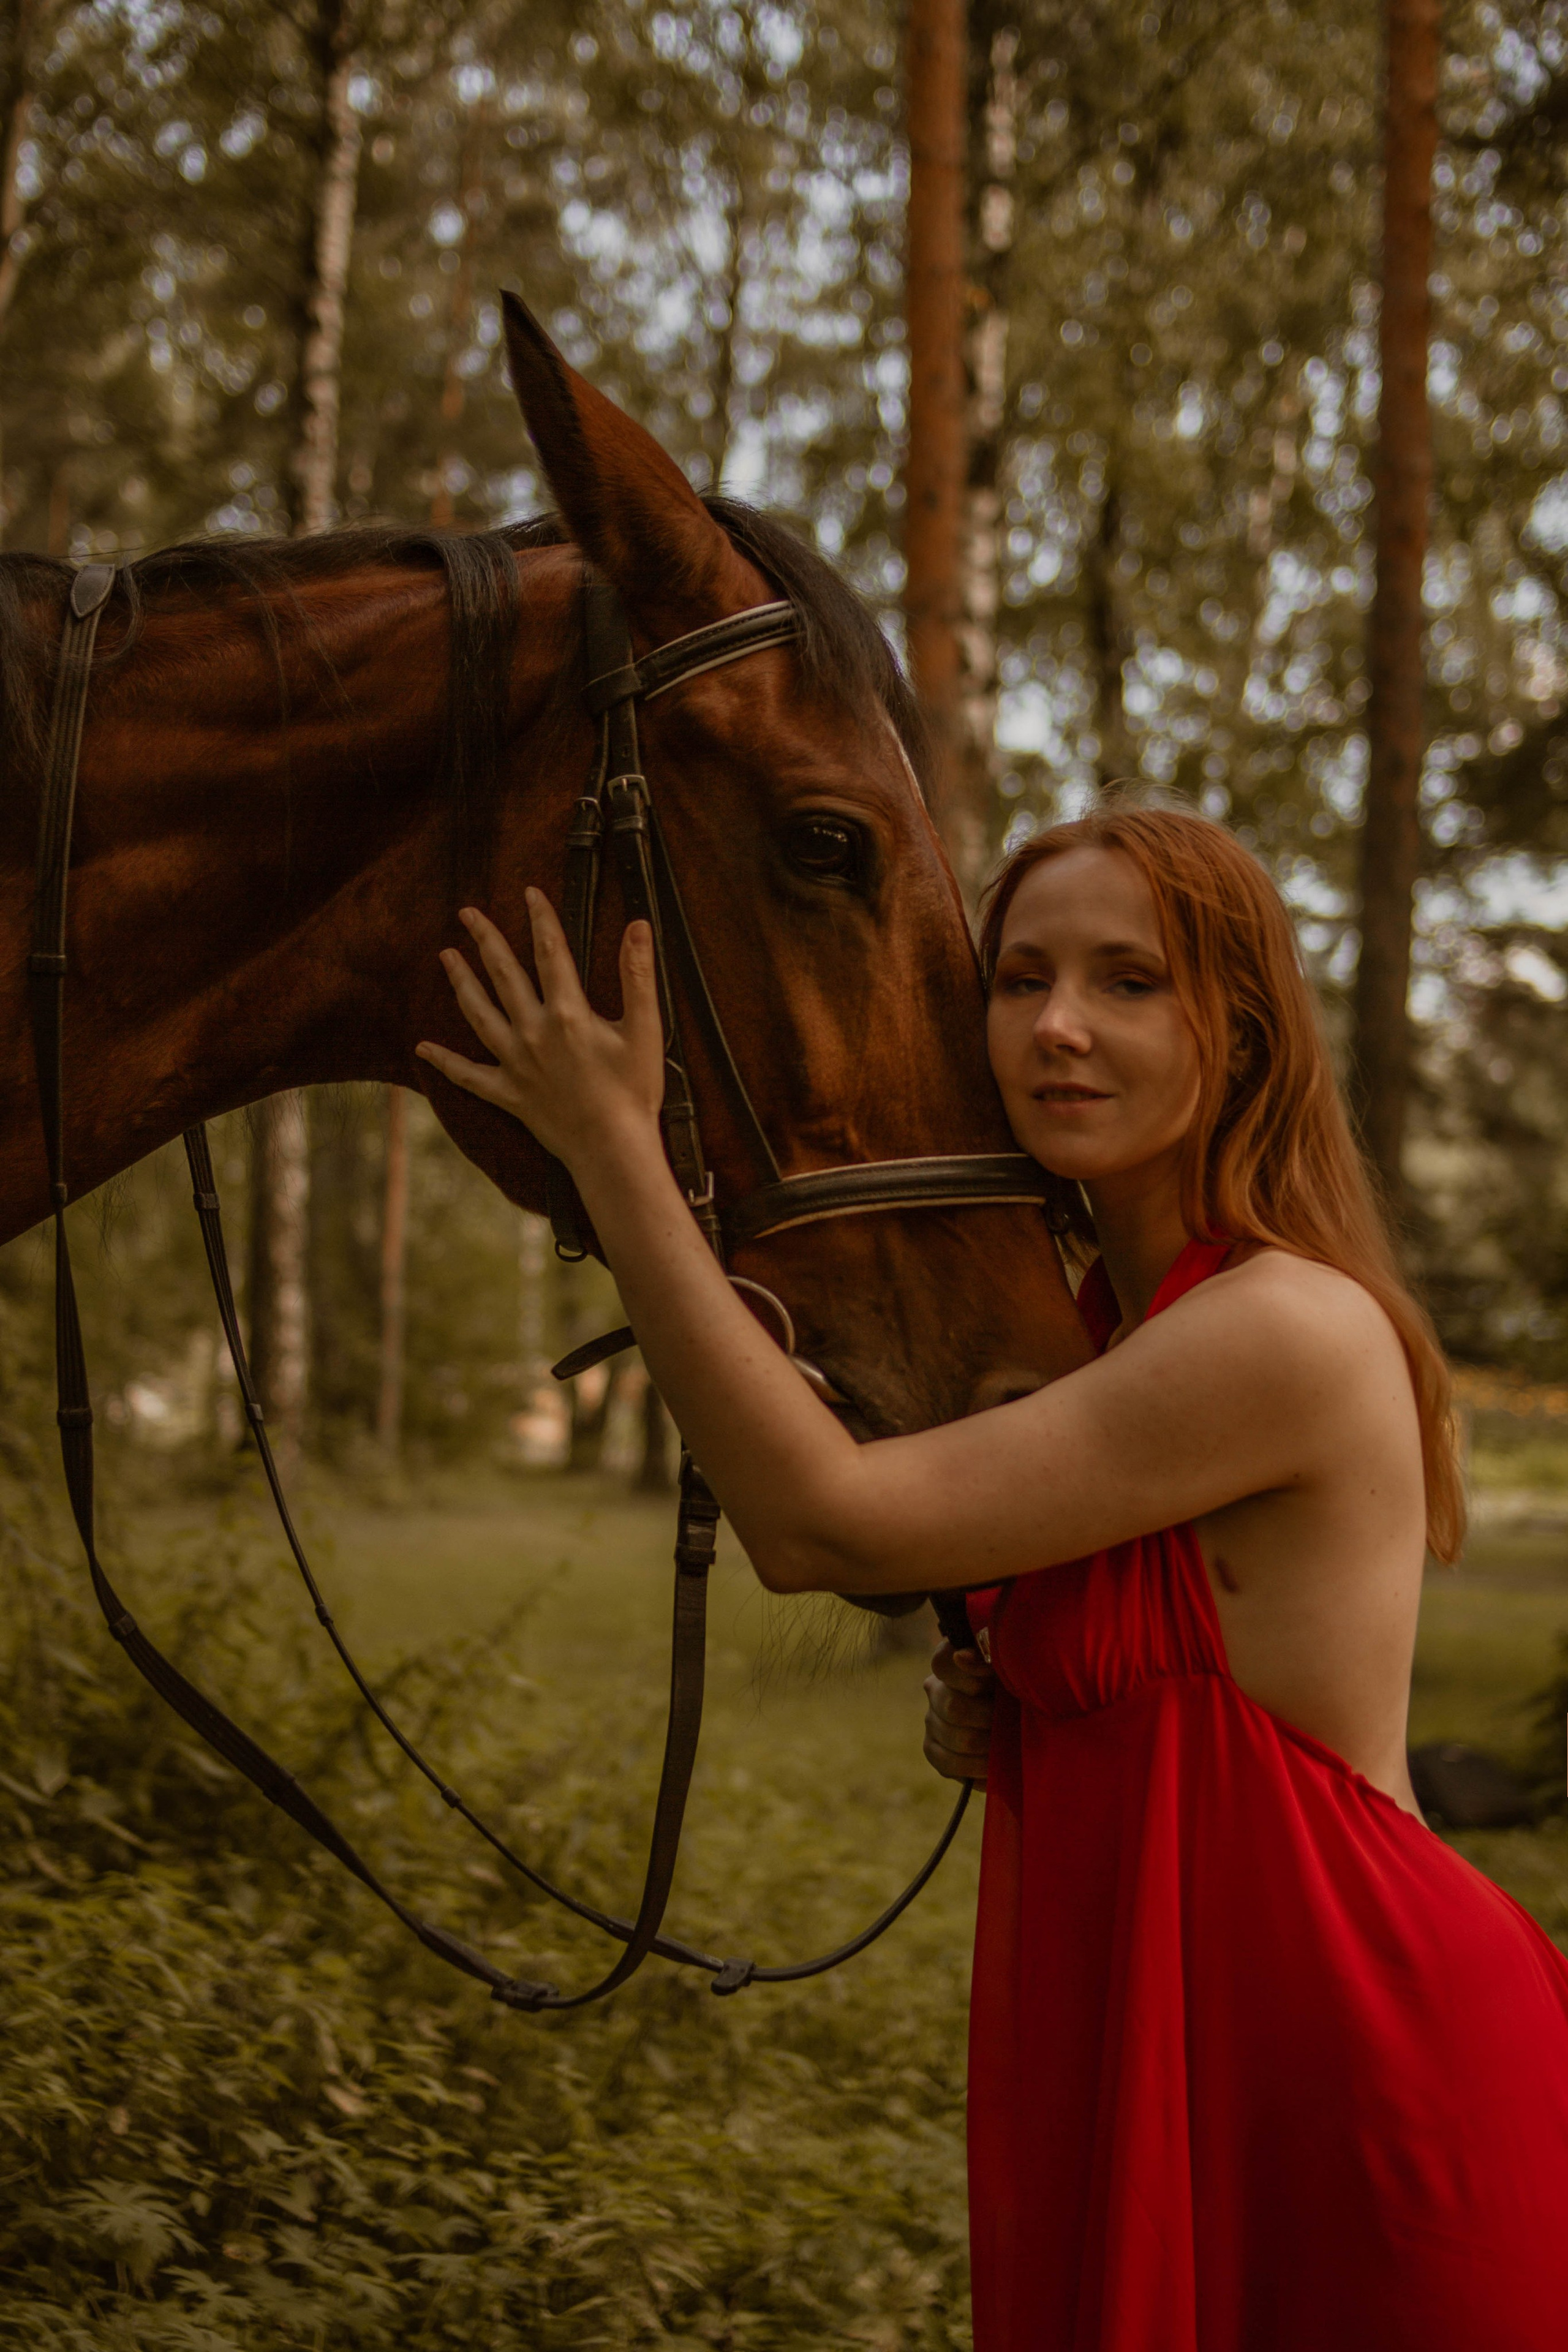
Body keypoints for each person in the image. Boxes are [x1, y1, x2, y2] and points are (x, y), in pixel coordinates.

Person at [417, 802, 1568, 2351]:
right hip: (1158, 2044)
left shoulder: (1278, 1327)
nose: (1058, 1027)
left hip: (1351, 2059)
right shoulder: (1095, 1334)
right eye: (1018, 980)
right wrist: (1030, 1700)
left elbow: (821, 1524)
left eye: (1126, 982)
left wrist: (620, 1149)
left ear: (1237, 1033)